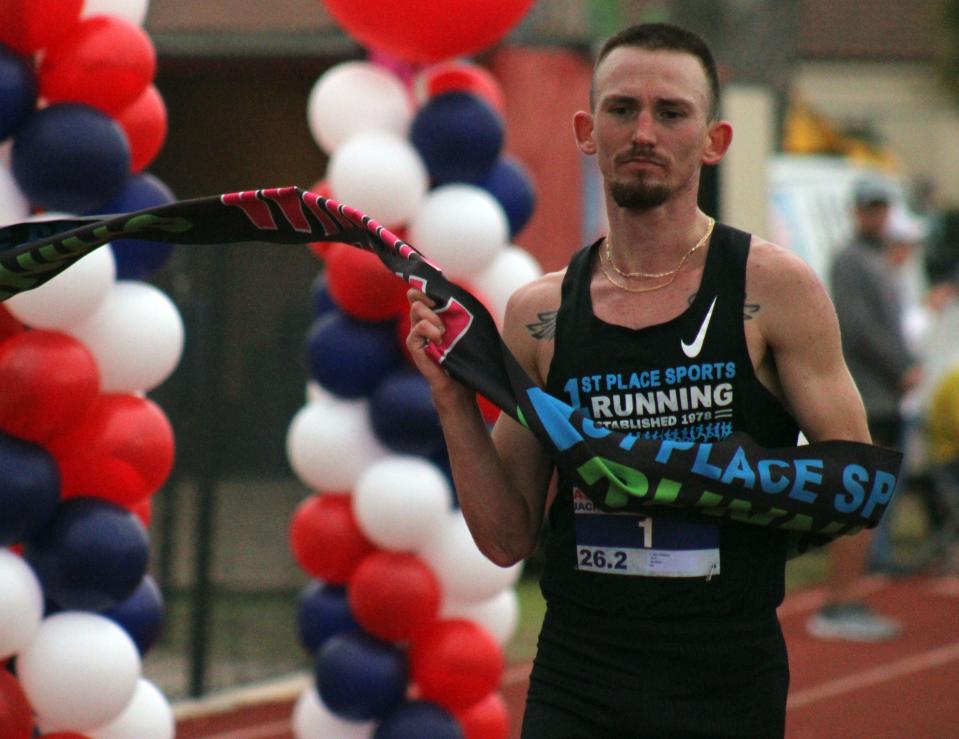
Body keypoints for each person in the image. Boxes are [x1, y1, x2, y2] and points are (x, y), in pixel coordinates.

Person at [407, 23, 874, 738]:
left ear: (713, 139)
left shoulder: (772, 287)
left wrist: (669, 472)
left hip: (723, 679)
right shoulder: (539, 315)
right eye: (622, 110)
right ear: (586, 130)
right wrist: (452, 401)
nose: (644, 132)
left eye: (671, 112)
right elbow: (505, 539)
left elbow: (855, 488)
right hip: (577, 676)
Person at [806, 179, 921, 642]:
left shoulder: (877, 258)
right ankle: (837, 603)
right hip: (868, 396)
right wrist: (901, 368)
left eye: (882, 208)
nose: (876, 216)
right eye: (869, 208)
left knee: (874, 502)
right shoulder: (852, 260)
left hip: (886, 393)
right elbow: (856, 327)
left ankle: (847, 596)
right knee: (861, 499)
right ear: (856, 211)